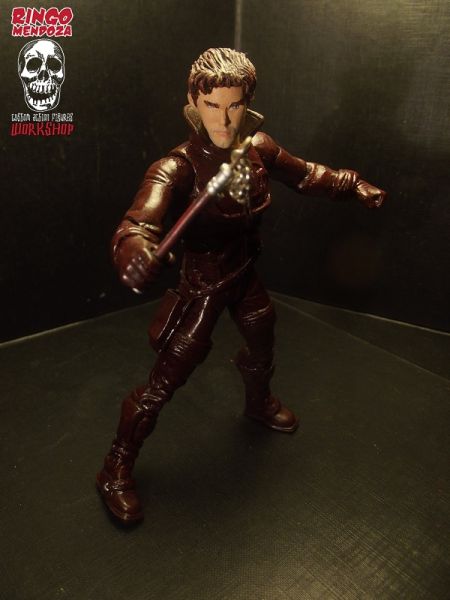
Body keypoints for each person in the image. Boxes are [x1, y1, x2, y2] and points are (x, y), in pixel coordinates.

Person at [97, 48, 386, 523]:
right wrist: (134, 251)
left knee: (263, 333)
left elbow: (307, 175)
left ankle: (258, 403)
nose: (224, 119)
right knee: (165, 380)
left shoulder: (258, 148)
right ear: (194, 102)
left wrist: (352, 185)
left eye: (234, 105)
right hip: (202, 286)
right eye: (212, 106)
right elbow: (137, 223)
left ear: (248, 102)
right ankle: (115, 467)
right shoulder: (178, 167)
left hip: (244, 273)